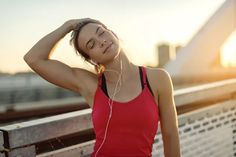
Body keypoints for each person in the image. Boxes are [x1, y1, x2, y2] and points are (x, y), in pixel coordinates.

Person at [24, 18, 181, 157]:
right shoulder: (91, 85)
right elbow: (33, 59)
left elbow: (171, 134)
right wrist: (67, 25)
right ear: (91, 59)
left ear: (112, 33)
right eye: (91, 45)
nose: (101, 42)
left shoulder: (158, 79)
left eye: (101, 33)